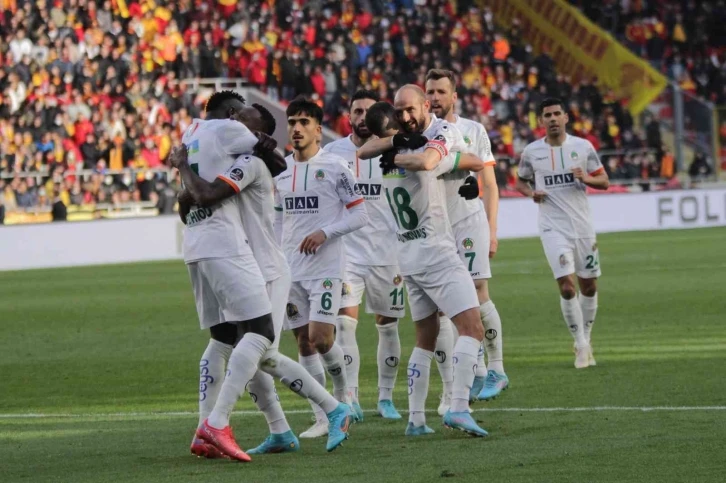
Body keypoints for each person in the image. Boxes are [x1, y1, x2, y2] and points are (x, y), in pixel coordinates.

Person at [172, 103, 351, 457]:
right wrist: (184, 188)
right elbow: (191, 202)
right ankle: (287, 427)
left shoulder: (250, 163)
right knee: (256, 354)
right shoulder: (230, 161)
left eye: (243, 120)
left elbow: (205, 195)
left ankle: (329, 410)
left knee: (258, 349)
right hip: (247, 264)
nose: (234, 122)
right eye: (234, 117)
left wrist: (183, 169)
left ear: (258, 133)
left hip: (266, 268)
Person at [358, 86, 489, 437]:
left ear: (425, 105)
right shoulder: (427, 141)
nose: (406, 117)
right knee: (472, 329)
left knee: (425, 338)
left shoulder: (392, 151)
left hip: (408, 256)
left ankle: (415, 419)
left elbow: (471, 163)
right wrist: (406, 150)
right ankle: (458, 407)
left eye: (410, 110)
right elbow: (433, 161)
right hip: (435, 253)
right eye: (399, 112)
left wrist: (464, 178)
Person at [173, 90, 277, 462]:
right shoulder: (228, 129)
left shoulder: (190, 133)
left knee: (222, 338)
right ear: (233, 113)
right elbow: (276, 161)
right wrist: (264, 143)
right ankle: (217, 423)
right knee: (261, 331)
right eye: (243, 114)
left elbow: (185, 201)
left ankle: (203, 430)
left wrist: (183, 171)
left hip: (194, 245)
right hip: (225, 244)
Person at [274, 97, 369, 439]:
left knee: (321, 338)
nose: (297, 128)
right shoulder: (280, 170)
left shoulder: (335, 167)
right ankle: (321, 416)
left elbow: (360, 214)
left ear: (318, 130)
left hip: (326, 268)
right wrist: (274, 255)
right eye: (292, 122)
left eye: (304, 122)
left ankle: (344, 396)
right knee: (303, 342)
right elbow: (278, 219)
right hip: (290, 268)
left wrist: (325, 233)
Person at [424, 69, 508, 404]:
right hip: (437, 228)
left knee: (477, 291)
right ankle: (469, 377)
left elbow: (489, 184)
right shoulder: (421, 134)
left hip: (469, 223)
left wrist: (492, 230)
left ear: (454, 96)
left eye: (441, 92)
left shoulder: (473, 130)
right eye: (430, 92)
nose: (435, 98)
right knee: (443, 306)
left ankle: (497, 369)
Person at [323, 90, 405, 421]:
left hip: (387, 252)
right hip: (346, 254)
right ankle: (351, 396)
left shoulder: (395, 151)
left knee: (388, 326)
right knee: (344, 324)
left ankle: (386, 398)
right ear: (349, 116)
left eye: (369, 111)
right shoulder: (332, 153)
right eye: (357, 111)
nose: (363, 117)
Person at [515, 98, 609, 369]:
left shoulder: (583, 147)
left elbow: (604, 181)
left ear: (566, 117)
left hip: (582, 227)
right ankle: (580, 345)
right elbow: (520, 181)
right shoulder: (532, 152)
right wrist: (531, 193)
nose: (553, 118)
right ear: (541, 121)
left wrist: (586, 178)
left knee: (589, 286)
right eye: (548, 115)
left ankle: (586, 338)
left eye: (557, 113)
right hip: (552, 227)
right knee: (567, 287)